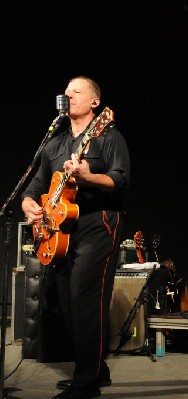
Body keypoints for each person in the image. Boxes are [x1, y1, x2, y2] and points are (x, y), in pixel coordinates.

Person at [21, 76, 131, 399]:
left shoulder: (108, 136)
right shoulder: (54, 144)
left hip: (99, 223)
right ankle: (95, 368)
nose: (67, 96)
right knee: (67, 301)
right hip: (62, 230)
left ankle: (86, 385)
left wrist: (88, 176)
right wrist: (29, 206)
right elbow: (34, 189)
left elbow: (120, 181)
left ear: (95, 102)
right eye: (65, 92)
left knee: (85, 296)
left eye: (76, 92)